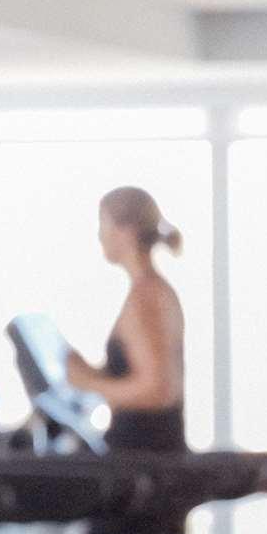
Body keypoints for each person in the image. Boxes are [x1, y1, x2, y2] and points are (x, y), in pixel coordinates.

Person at [67, 184, 190, 456]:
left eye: (104, 224)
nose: (100, 235)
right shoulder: (145, 291)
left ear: (127, 230)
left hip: (146, 461)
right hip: (135, 451)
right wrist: (90, 372)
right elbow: (140, 374)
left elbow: (159, 390)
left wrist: (87, 383)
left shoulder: (149, 295)